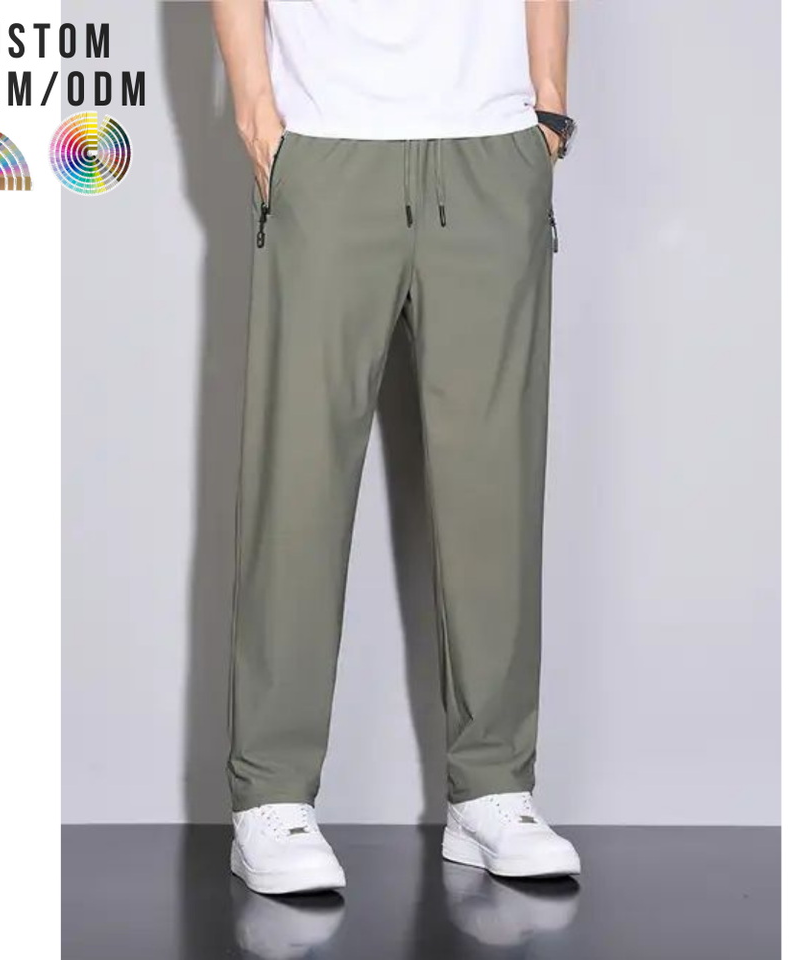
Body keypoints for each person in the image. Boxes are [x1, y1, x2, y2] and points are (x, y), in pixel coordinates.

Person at [213, 0, 579, 895]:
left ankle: (492, 787)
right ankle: (271, 797)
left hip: (491, 144)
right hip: (328, 139)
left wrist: (548, 106)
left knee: (495, 484)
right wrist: (256, 110)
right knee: (297, 484)